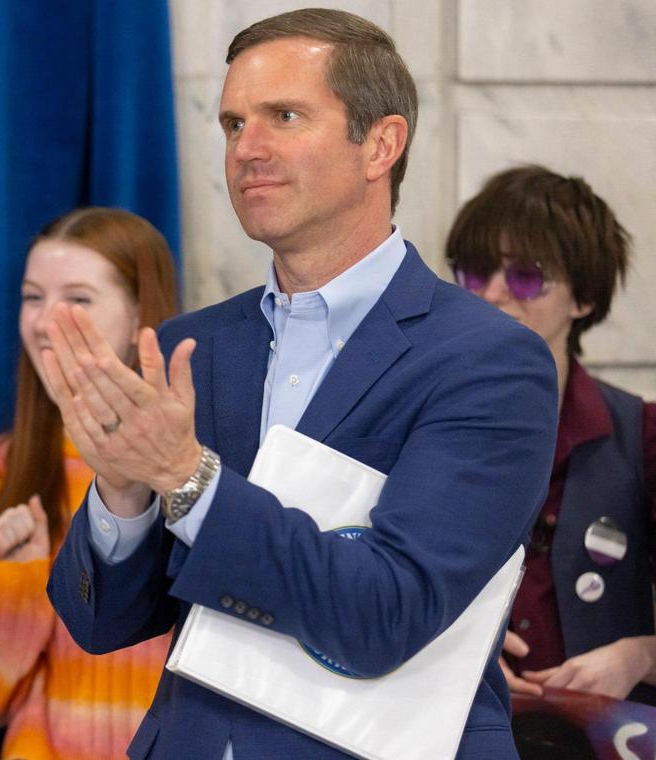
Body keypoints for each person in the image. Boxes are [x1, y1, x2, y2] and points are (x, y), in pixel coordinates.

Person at [42, 9, 558, 759]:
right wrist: (122, 492)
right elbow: (103, 625)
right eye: (231, 124)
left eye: (283, 116)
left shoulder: (489, 361)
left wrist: (187, 478)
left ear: (381, 143)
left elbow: (388, 611)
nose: (247, 149)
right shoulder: (194, 345)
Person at [0, 207, 178, 759]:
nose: (45, 322)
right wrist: (12, 583)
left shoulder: (198, 461)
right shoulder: (0, 467)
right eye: (32, 297)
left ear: (141, 309)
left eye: (78, 300)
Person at [447, 165, 656, 704]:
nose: (492, 295)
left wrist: (639, 656)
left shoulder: (640, 436)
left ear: (583, 298)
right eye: (473, 272)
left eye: (525, 276)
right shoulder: (419, 422)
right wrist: (447, 653)